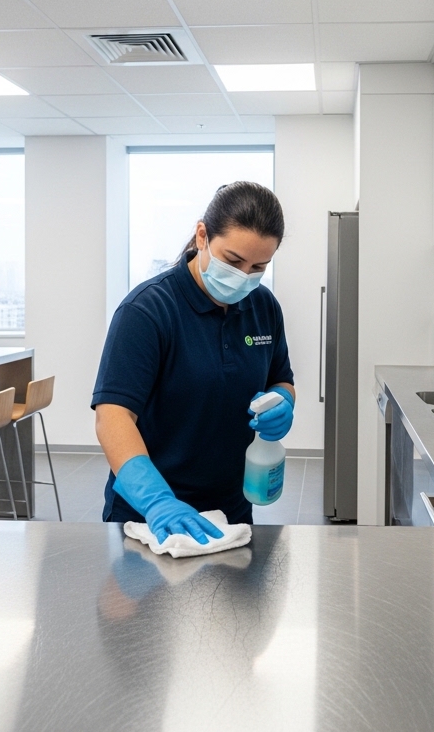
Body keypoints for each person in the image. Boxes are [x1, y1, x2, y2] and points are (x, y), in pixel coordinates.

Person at [92, 181, 296, 543]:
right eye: (233, 261)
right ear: (202, 236)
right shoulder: (147, 311)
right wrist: (157, 502)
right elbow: (113, 417)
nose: (243, 276)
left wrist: (284, 401)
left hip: (230, 512)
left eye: (258, 266)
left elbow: (280, 377)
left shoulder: (263, 307)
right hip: (149, 516)